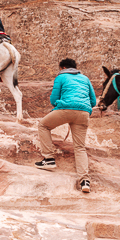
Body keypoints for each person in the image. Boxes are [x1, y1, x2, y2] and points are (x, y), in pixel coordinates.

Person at [35, 58, 98, 194]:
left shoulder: (61, 77)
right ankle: (85, 181)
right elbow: (93, 101)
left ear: (63, 68)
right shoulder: (85, 78)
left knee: (43, 126)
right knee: (80, 147)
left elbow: (53, 99)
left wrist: (62, 104)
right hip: (83, 113)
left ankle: (49, 159)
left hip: (65, 109)